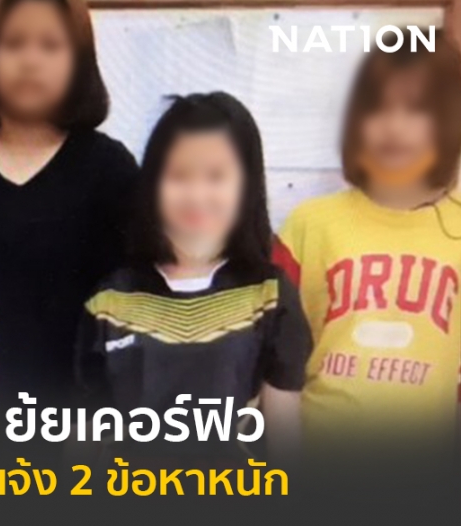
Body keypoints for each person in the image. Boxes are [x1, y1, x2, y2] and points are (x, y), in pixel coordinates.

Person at [76, 93, 310, 461]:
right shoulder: (109, 301)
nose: (196, 195)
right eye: (179, 176)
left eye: (216, 176)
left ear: (246, 185)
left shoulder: (269, 295)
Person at [0, 0, 138, 408]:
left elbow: (131, 306)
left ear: (80, 61)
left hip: (73, 417)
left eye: (50, 45)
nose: (30, 60)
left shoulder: (109, 168)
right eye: (13, 43)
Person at [274, 31, 461, 453]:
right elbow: (272, 361)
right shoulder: (309, 225)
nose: (394, 125)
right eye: (379, 107)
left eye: (416, 108)